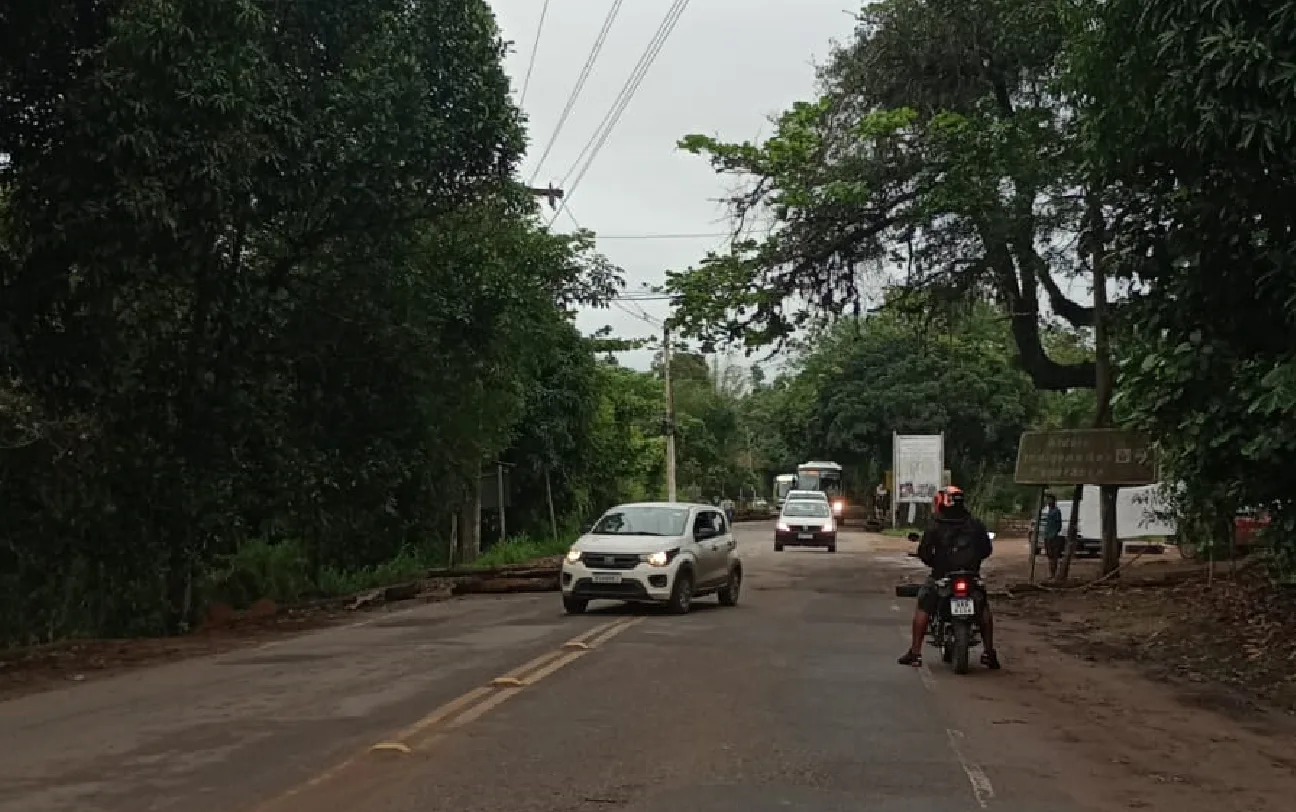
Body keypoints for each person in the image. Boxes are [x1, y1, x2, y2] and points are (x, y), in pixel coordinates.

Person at [898, 485, 1001, 669]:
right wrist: (973, 564)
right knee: (983, 608)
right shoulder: (975, 524)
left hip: (942, 576)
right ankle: (989, 652)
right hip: (970, 576)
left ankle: (915, 652)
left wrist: (936, 565)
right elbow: (986, 550)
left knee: (924, 605)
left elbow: (924, 552)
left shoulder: (936, 525)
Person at [1042, 493, 1065, 579]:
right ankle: (1051, 573)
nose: (1048, 502)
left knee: (1054, 556)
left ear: (1053, 501)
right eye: (1047, 500)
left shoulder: (1056, 511)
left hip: (1054, 537)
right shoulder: (1049, 511)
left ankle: (1053, 574)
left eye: (1049, 500)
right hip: (1047, 536)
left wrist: (1054, 533)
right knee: (1049, 556)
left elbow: (1059, 525)